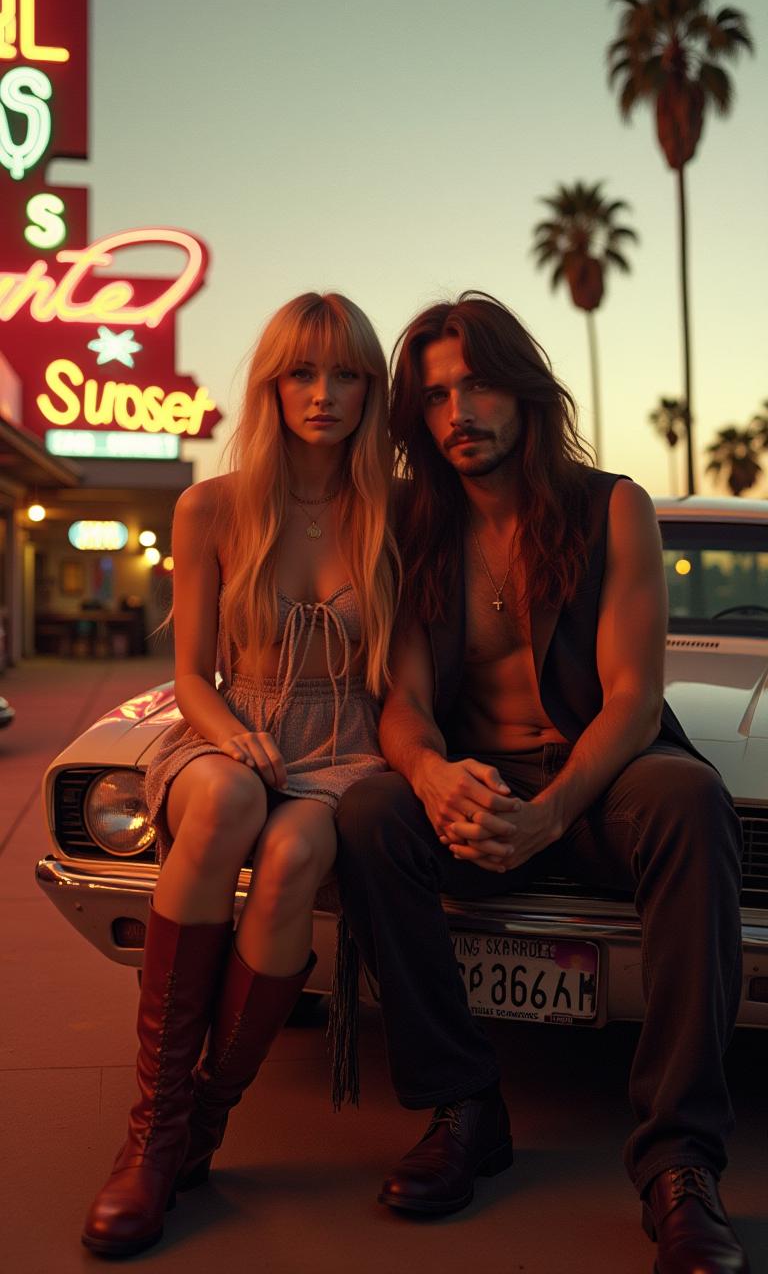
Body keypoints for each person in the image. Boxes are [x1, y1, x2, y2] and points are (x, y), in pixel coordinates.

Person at [335, 293, 747, 1274]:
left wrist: (553, 812)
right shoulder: (413, 525)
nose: (455, 415)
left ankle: (680, 1165)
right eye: (432, 397)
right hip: (480, 786)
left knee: (691, 801)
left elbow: (635, 700)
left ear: (523, 387)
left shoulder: (611, 506)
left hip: (598, 781)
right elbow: (399, 701)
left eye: (475, 386)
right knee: (370, 810)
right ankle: (465, 1107)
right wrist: (431, 774)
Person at [82, 292, 400, 1258]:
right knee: (225, 796)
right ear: (271, 385)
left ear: (370, 390)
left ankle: (203, 1121)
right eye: (303, 372)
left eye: (347, 374)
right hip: (231, 727)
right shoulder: (211, 506)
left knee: (300, 845)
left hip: (344, 748)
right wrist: (232, 734)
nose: (324, 394)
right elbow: (190, 676)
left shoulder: (393, 510)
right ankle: (150, 1134)